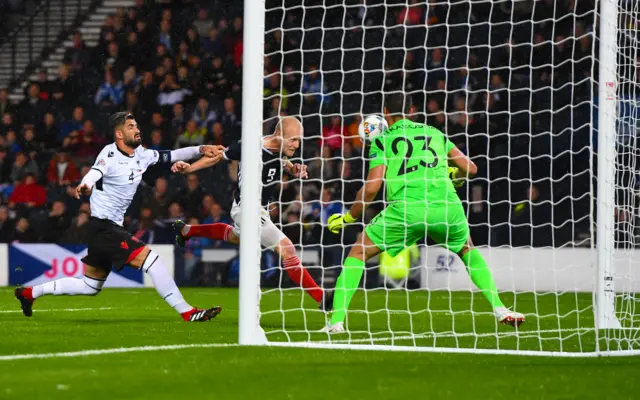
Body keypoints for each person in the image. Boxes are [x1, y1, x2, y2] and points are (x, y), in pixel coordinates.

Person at [322, 94, 525, 333]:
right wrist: (455, 177)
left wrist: (348, 218)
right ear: (411, 110)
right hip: (446, 208)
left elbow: (372, 188)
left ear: (386, 113)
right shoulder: (435, 133)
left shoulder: (383, 139)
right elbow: (470, 168)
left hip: (407, 210)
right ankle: (501, 309)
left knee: (358, 252)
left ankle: (336, 322)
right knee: (467, 248)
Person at [14, 112, 223, 322]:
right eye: (131, 126)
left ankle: (29, 293)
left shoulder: (141, 154)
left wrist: (201, 149)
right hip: (105, 228)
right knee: (154, 262)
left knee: (89, 286)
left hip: (102, 229)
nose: (137, 129)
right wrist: (85, 184)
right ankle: (187, 312)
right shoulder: (109, 154)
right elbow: (95, 171)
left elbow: (173, 155)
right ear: (119, 134)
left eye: (136, 125)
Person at [171, 116, 325, 306]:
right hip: (248, 208)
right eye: (293, 139)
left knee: (236, 236)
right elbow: (218, 156)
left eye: (299, 140)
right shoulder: (251, 146)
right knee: (287, 248)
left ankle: (186, 230)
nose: (296, 145)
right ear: (279, 134)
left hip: (260, 209)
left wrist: (294, 169)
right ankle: (322, 298)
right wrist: (190, 169)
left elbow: (282, 160)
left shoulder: (279, 148)